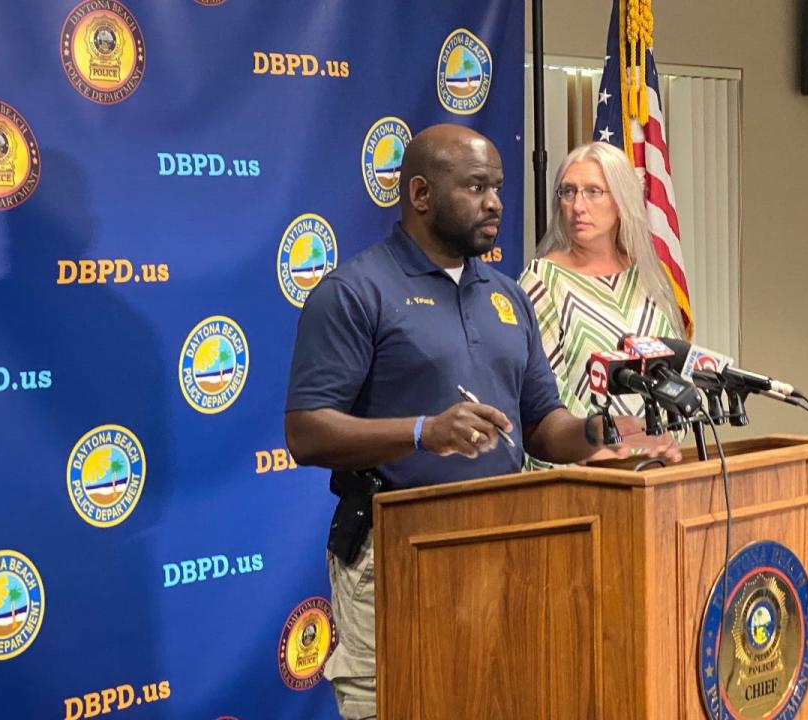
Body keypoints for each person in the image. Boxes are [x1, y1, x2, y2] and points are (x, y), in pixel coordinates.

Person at [284, 124, 679, 720]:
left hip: (505, 547)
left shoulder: (506, 294)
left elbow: (544, 422)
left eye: (497, 186)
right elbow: (306, 432)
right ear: (420, 195)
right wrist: (423, 431)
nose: (496, 202)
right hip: (394, 556)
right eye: (476, 187)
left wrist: (605, 431)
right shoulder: (355, 291)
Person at [519, 142, 685, 468]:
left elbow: (672, 372)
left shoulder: (649, 278)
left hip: (656, 465)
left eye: (594, 191)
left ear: (621, 200)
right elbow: (544, 394)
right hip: (585, 471)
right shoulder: (541, 280)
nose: (578, 205)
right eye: (568, 192)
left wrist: (661, 442)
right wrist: (595, 446)